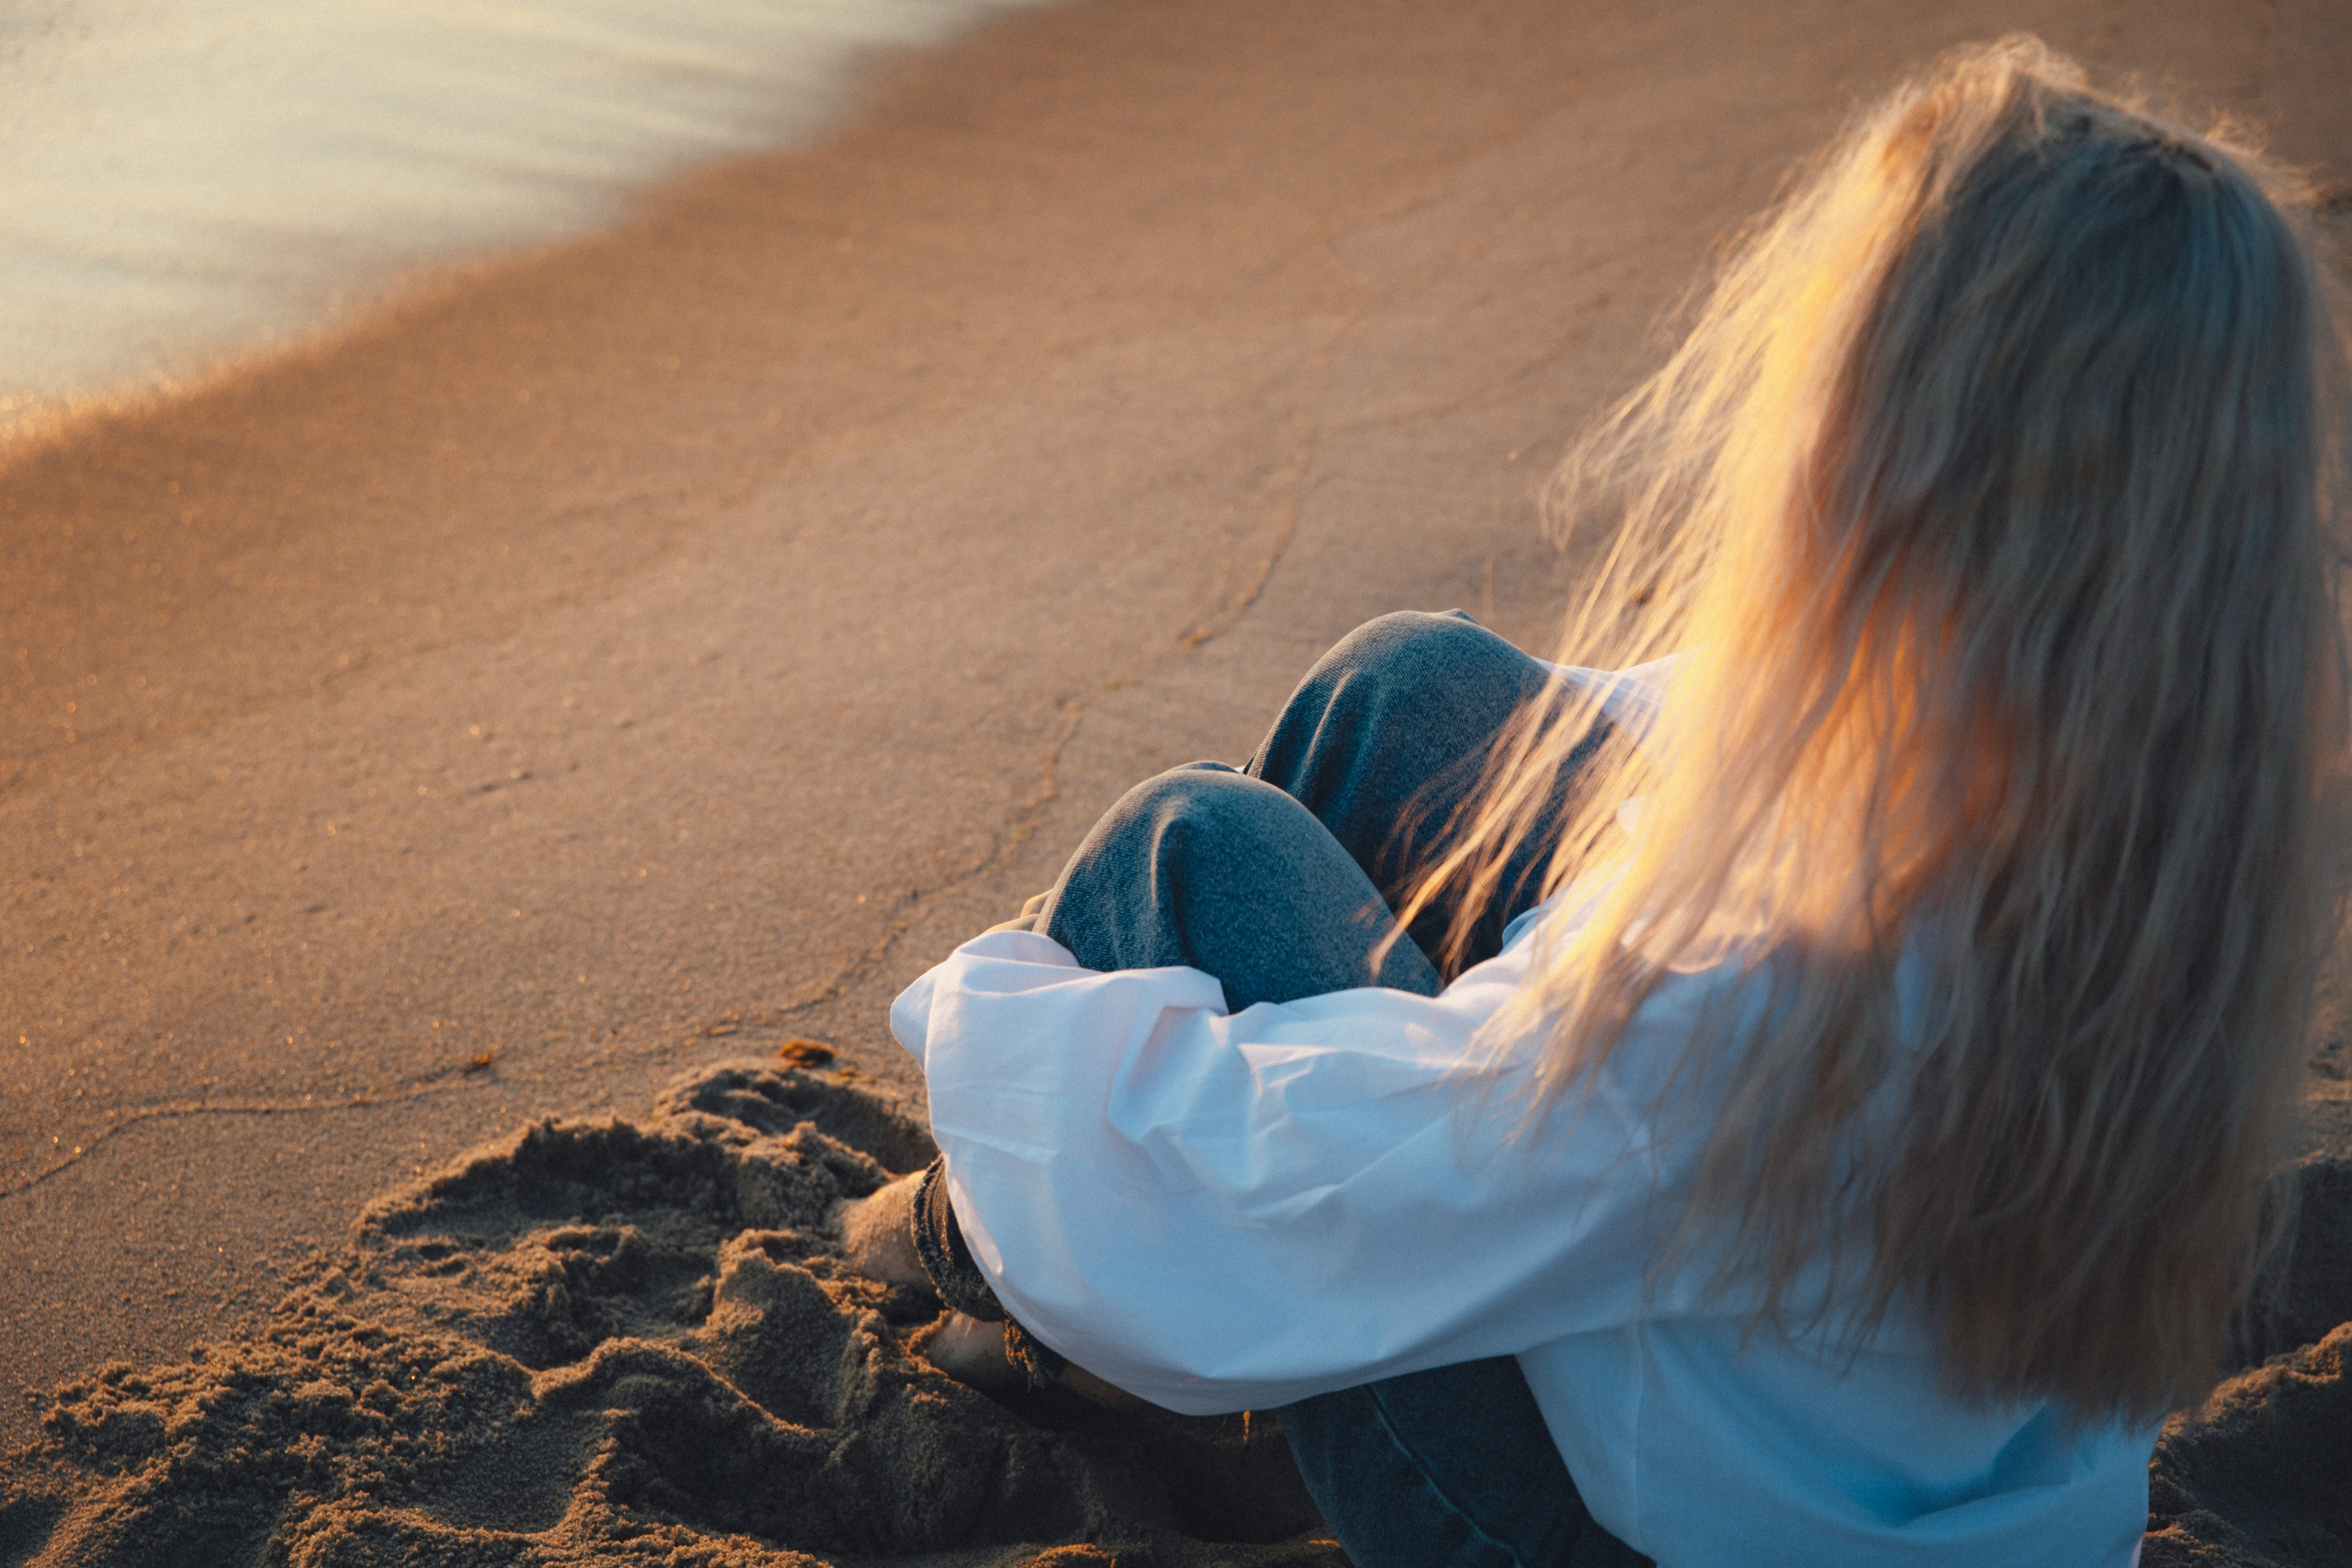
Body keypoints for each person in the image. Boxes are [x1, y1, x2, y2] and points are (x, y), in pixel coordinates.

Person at [839, 36, 2350, 1567]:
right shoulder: (2180, 826)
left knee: (1197, 852)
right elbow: (1676, 721)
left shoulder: (1762, 992)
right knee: (1416, 692)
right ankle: (1135, 1341)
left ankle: (1027, 1307)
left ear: (1882, 455)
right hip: (1958, 1512)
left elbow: (1260, 1188)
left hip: (1626, 1544)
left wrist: (975, 1099)